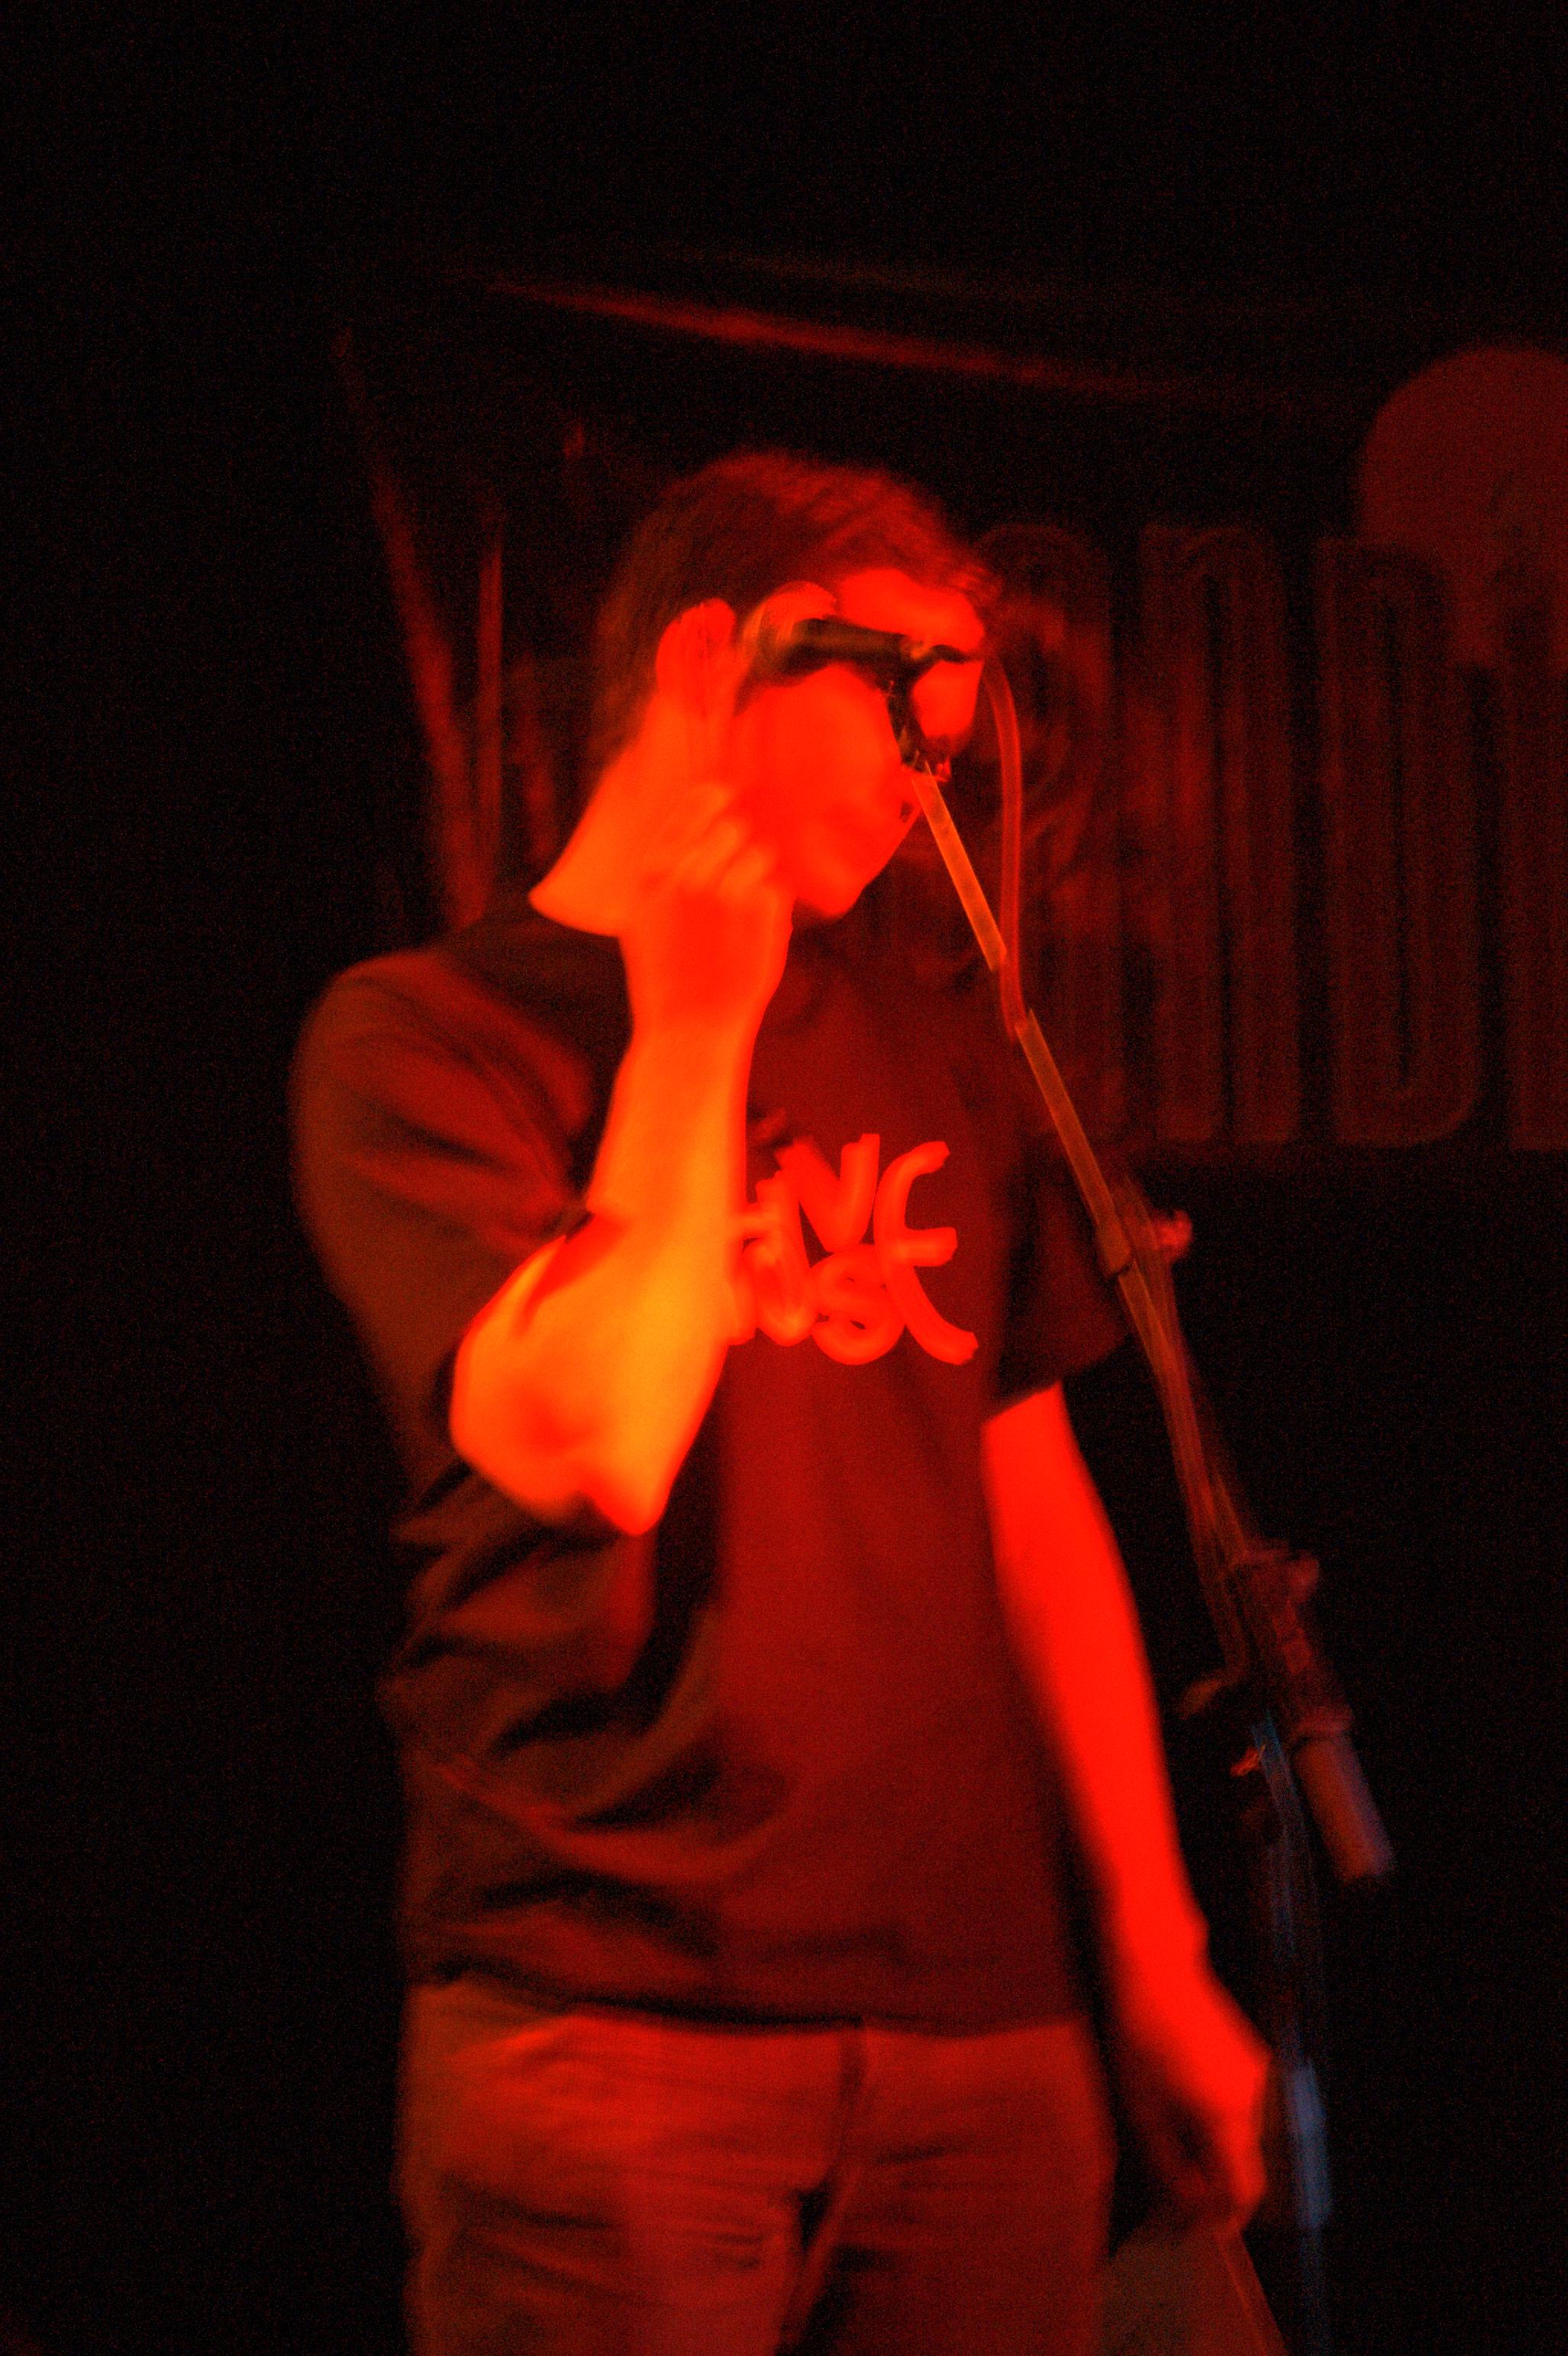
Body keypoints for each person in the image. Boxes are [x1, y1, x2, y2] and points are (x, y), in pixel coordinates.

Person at [292, 452, 1267, 2356]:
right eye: (893, 705)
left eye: (953, 738)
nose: (925, 775)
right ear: (707, 661)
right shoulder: (422, 1037)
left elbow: (1031, 1514)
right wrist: (693, 1030)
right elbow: (598, 1440)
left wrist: (1151, 1950)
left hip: (984, 2034)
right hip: (611, 2022)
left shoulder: (940, 1044)